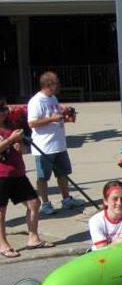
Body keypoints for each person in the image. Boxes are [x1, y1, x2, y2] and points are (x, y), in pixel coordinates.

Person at [0, 97, 51, 257]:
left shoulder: (11, 125)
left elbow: (23, 149)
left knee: (34, 203)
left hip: (17, 172)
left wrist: (19, 145)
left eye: (5, 109)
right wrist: (10, 140)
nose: (4, 112)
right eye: (0, 110)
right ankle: (2, 243)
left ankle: (33, 238)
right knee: (1, 210)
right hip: (1, 174)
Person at [27, 71, 82, 216]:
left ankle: (66, 198)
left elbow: (57, 118)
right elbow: (32, 123)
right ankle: (45, 203)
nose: (59, 86)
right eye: (57, 83)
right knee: (43, 177)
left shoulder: (53, 99)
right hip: (44, 146)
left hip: (59, 144)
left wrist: (67, 118)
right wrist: (52, 119)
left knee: (63, 173)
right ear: (49, 85)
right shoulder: (36, 101)